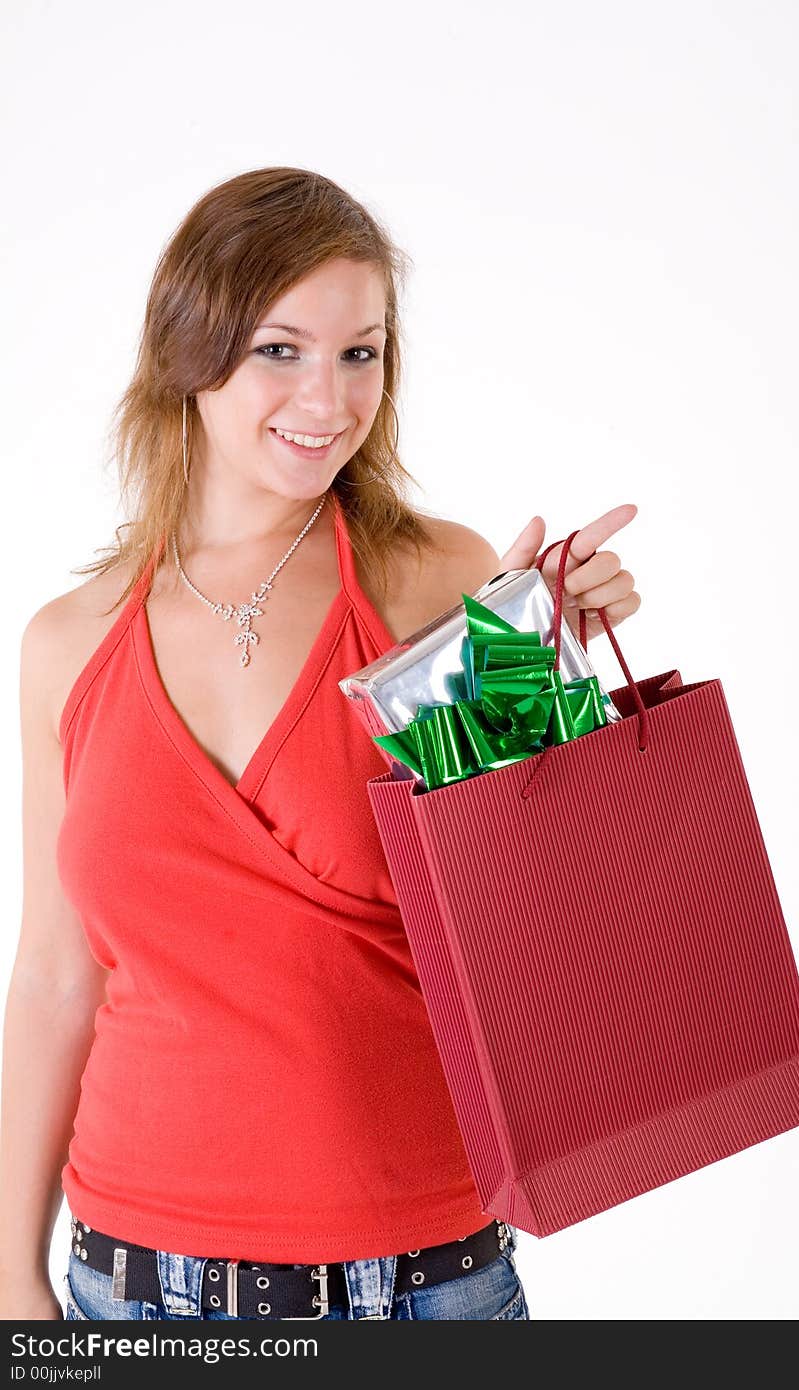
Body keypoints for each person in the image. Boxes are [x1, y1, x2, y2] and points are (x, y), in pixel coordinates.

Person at [0, 168, 639, 1322]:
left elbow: (535, 911)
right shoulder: (67, 643)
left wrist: (549, 664)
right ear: (189, 351)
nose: (329, 398)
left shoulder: (432, 581)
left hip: (423, 1281)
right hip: (131, 1286)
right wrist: (7, 1277)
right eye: (280, 349)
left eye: (362, 352)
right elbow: (52, 975)